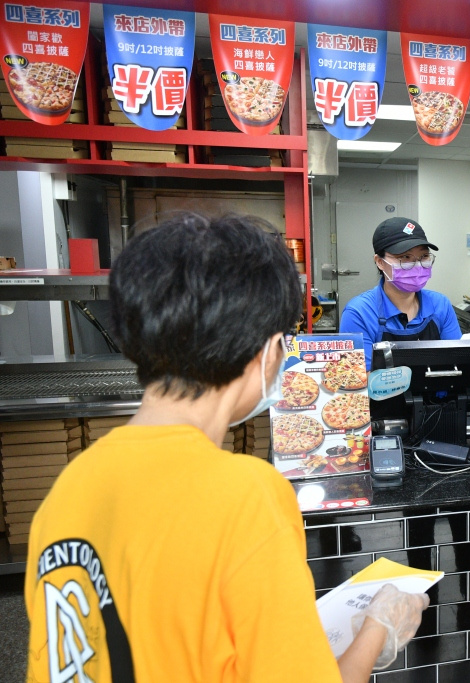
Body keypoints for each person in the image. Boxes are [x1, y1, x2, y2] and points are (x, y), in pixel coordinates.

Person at [24, 214, 428, 683]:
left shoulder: (69, 487)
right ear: (264, 350)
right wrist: (381, 627)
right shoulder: (243, 495)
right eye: (284, 338)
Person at [340, 217, 461, 368]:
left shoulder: (440, 305)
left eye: (424, 256)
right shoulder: (359, 312)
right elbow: (359, 379)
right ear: (379, 262)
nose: (417, 266)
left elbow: (458, 363)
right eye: (405, 257)